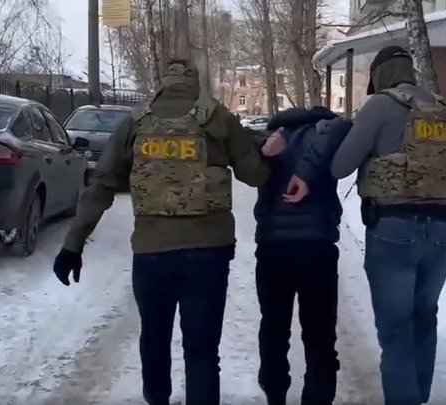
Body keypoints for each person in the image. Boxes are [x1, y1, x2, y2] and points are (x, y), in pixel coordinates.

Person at [51, 59, 284, 405]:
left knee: (154, 340)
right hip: (208, 253)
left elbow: (101, 185)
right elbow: (255, 175)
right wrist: (270, 156)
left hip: (151, 253)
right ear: (195, 83)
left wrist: (72, 245)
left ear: (162, 84)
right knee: (202, 351)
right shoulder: (218, 117)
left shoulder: (136, 121)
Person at [289, 46, 446, 404]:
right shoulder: (442, 108)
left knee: (396, 328)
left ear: (380, 75)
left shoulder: (380, 106)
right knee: (425, 316)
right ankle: (417, 395)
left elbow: (340, 166)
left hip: (394, 229)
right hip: (442, 229)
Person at [251, 106, 351, 405]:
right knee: (320, 335)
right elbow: (344, 126)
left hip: (273, 248)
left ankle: (275, 395)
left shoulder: (271, 137)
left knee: (273, 328)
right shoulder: (326, 137)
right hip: (317, 247)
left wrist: (266, 149)